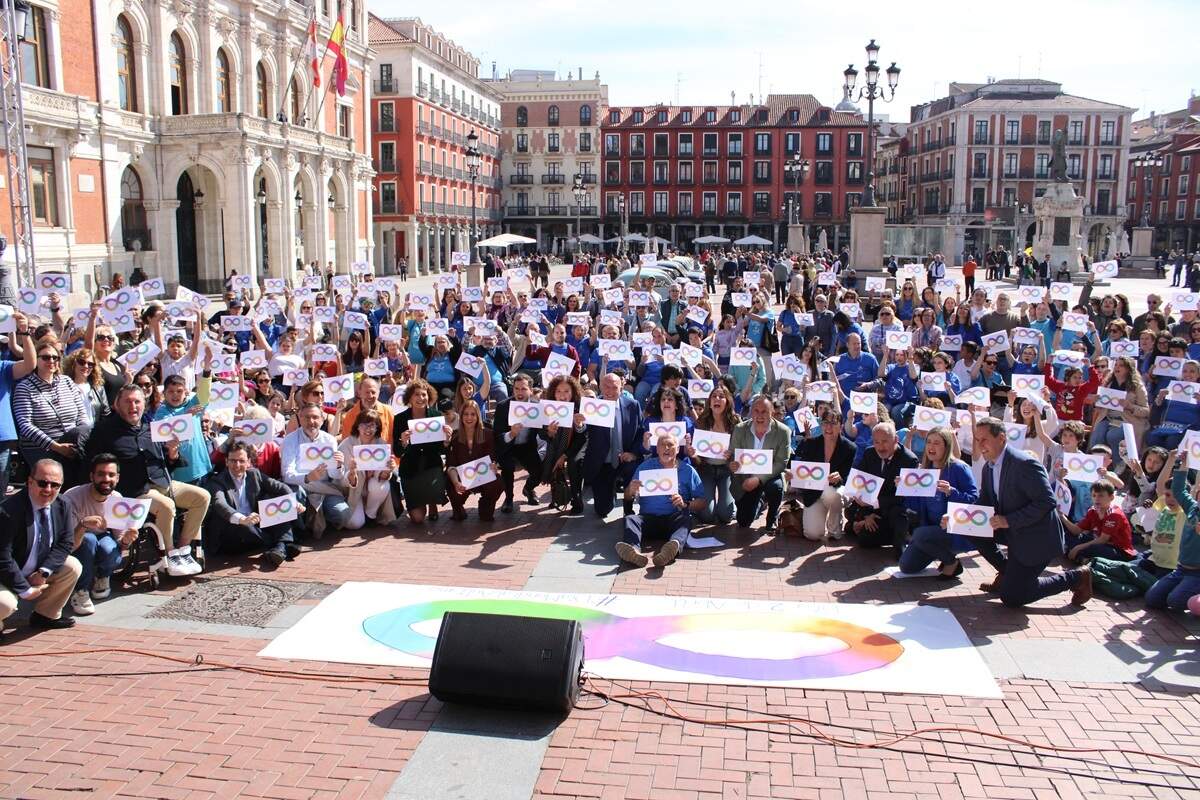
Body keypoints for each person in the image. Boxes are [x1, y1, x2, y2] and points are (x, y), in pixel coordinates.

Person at [84, 384, 211, 577]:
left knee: (202, 497)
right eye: (127, 401)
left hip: (162, 482)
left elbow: (168, 464)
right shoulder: (104, 431)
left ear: (144, 405)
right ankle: (169, 554)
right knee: (167, 506)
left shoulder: (150, 429)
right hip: (134, 490)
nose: (133, 406)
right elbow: (93, 465)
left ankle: (183, 550)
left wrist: (172, 453)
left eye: (137, 401)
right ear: (116, 404)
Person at [969, 417, 1093, 608]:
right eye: (977, 440)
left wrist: (1008, 520)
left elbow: (1047, 502)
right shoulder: (989, 467)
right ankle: (1007, 572)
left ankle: (1076, 577)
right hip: (1013, 531)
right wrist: (959, 518)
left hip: (1037, 539)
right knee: (969, 529)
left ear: (1001, 438)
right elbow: (985, 501)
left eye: (984, 439)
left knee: (1012, 598)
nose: (980, 445)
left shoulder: (1024, 464)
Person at [0, 459, 82, 633]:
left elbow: (65, 543)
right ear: (30, 482)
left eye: (55, 485)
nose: (48, 490)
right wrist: (25, 590)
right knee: (4, 603)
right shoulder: (8, 511)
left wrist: (44, 571)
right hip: (5, 574)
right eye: (42, 483)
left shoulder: (62, 504)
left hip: (36, 567)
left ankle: (45, 616)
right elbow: (3, 558)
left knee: (72, 566)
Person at [60, 454, 138, 615]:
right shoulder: (72, 496)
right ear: (92, 476)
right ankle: (80, 590)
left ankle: (102, 576)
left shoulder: (117, 499)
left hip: (102, 536)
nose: (106, 479)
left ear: (117, 478)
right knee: (88, 540)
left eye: (111, 475)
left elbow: (120, 541)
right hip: (77, 541)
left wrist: (126, 540)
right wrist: (82, 525)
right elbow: (68, 543)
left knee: (110, 549)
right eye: (101, 474)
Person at [897, 428, 980, 577]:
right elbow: (914, 507)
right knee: (906, 566)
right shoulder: (924, 471)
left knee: (919, 534)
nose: (931, 447)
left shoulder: (959, 468)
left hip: (955, 529)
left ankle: (950, 562)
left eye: (936, 443)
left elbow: (975, 501)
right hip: (930, 531)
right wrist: (905, 490)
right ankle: (941, 553)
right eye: (928, 442)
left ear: (947, 446)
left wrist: (951, 492)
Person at [204, 442, 302, 567]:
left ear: (248, 462)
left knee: (277, 504)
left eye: (241, 461)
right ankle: (282, 545)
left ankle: (279, 548)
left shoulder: (254, 474)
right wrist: (242, 519)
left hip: (255, 523)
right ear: (226, 461)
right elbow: (220, 504)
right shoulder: (217, 481)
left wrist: (294, 502)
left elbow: (281, 487)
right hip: (232, 529)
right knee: (245, 526)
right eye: (233, 461)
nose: (237, 465)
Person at [618, 432, 705, 569]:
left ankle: (671, 549)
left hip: (673, 520)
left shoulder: (688, 471)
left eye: (670, 445)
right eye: (662, 445)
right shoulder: (645, 467)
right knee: (631, 519)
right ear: (656, 449)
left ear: (677, 449)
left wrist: (685, 503)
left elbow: (702, 502)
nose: (666, 448)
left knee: (686, 519)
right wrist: (631, 489)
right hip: (648, 519)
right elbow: (628, 497)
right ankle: (633, 551)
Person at [13, 339, 88, 484]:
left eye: (55, 357)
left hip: (73, 444)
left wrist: (81, 439)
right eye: (46, 357)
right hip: (43, 448)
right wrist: (56, 446)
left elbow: (82, 414)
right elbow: (25, 425)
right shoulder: (24, 388)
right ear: (36, 359)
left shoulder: (67, 381)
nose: (51, 361)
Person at [845, 421, 919, 554]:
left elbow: (903, 498)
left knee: (898, 513)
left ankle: (901, 542)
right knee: (862, 536)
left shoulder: (909, 460)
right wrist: (867, 514)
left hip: (895, 508)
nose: (880, 447)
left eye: (885, 441)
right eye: (876, 442)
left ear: (896, 439)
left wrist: (875, 504)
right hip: (874, 508)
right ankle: (893, 534)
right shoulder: (869, 453)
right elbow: (860, 485)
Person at [280, 402, 351, 537]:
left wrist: (338, 465)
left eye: (315, 417)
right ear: (300, 418)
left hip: (324, 489)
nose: (311, 422)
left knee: (343, 515)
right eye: (306, 417)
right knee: (298, 493)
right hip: (300, 489)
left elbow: (335, 475)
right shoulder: (290, 440)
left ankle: (319, 518)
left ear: (322, 419)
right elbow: (286, 474)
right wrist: (307, 477)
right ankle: (301, 528)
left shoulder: (329, 440)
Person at [581, 372, 642, 519]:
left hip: (625, 459)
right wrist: (579, 425)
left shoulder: (633, 406)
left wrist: (633, 454)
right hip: (602, 462)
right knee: (602, 510)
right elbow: (583, 432)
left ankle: (628, 507)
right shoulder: (592, 407)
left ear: (621, 389)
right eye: (606, 387)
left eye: (614, 387)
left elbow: (640, 432)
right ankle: (610, 493)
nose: (609, 391)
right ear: (600, 387)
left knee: (633, 468)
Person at [729, 394, 791, 533]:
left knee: (775, 487)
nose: (760, 415)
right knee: (743, 522)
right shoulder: (740, 429)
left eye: (764, 411)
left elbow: (781, 463)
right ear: (751, 412)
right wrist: (732, 465)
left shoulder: (783, 431)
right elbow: (733, 455)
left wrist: (758, 479)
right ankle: (761, 501)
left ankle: (772, 518)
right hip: (746, 477)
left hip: (770, 476)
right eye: (756, 411)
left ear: (772, 413)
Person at [393, 379, 450, 525]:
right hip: (410, 468)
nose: (420, 398)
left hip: (431, 466)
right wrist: (403, 442)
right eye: (416, 395)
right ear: (409, 398)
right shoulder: (400, 419)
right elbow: (398, 452)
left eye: (424, 395)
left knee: (433, 485)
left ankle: (432, 502)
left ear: (429, 396)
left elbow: (442, 449)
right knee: (417, 519)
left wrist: (446, 440)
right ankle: (422, 501)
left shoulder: (436, 416)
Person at [795, 409, 856, 541]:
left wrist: (840, 476)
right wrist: (793, 475)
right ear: (821, 424)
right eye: (825, 422)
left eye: (833, 423)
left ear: (841, 425)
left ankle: (834, 528)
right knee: (812, 534)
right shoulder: (811, 443)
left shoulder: (849, 448)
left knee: (833, 494)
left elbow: (851, 476)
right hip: (815, 493)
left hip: (836, 490)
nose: (828, 427)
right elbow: (802, 470)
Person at [338, 409, 399, 529]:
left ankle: (370, 515)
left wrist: (388, 470)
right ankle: (360, 513)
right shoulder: (347, 444)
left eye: (372, 425)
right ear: (357, 427)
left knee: (382, 486)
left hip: (371, 487)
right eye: (363, 425)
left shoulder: (381, 444)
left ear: (377, 428)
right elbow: (340, 478)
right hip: (353, 491)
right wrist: (352, 473)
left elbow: (383, 477)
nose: (368, 429)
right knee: (354, 524)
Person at [445, 400, 502, 522]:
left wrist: (494, 465)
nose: (469, 417)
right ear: (461, 416)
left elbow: (492, 459)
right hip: (463, 479)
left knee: (497, 482)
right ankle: (458, 507)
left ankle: (486, 505)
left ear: (478, 416)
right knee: (449, 483)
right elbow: (451, 465)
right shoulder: (455, 437)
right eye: (466, 414)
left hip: (482, 478)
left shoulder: (488, 434)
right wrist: (456, 483)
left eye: (473, 414)